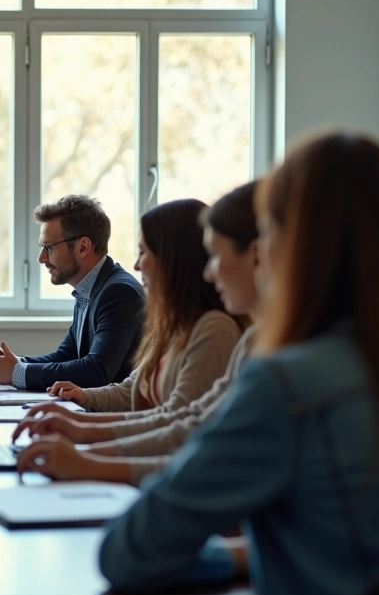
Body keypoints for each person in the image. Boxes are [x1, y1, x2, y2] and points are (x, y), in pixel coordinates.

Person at [97, 133, 379, 595]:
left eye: (264, 232)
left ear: (293, 244)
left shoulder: (285, 385)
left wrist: (227, 555)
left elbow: (130, 551)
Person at [14, 182, 260, 485]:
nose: (135, 264)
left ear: (174, 259)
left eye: (144, 252)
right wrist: (79, 410)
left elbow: (180, 424)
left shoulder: (215, 328)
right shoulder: (175, 324)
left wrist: (89, 452)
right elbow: (133, 389)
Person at [0, 195, 144, 390]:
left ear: (83, 247)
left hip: (117, 416)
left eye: (48, 247)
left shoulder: (119, 292)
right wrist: (14, 362)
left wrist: (17, 372)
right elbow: (66, 356)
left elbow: (97, 370)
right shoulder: (90, 287)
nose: (41, 258)